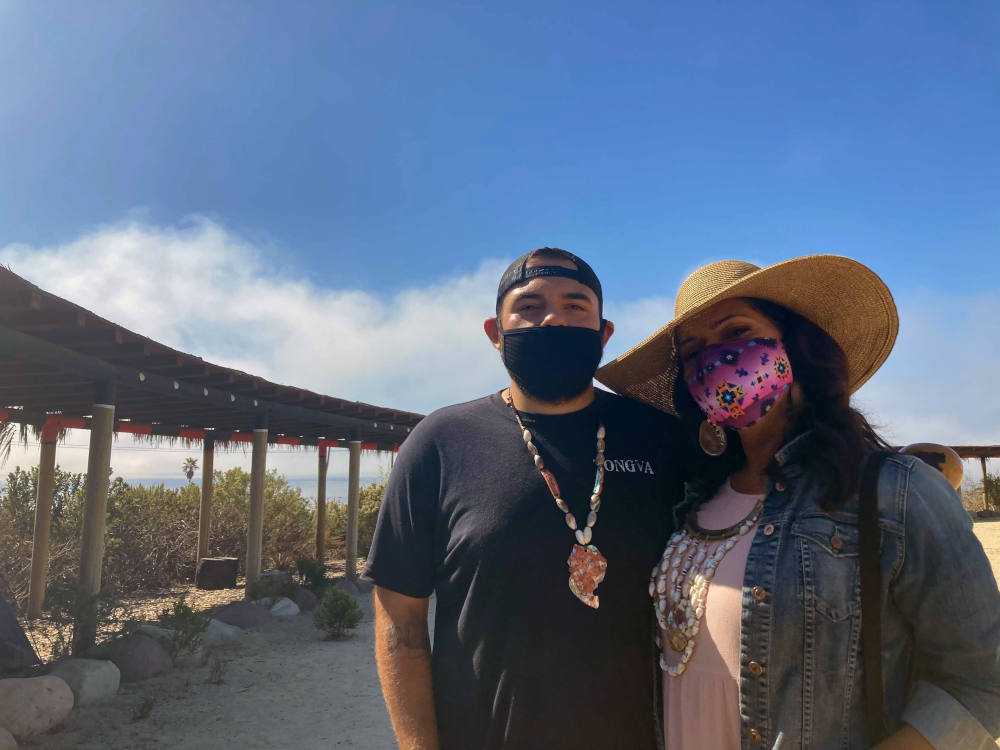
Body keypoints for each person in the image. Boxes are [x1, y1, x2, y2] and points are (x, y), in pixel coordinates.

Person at [597, 255, 1000, 749]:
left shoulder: (894, 492)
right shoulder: (688, 501)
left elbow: (982, 682)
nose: (714, 359)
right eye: (693, 350)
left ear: (797, 347)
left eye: (735, 332)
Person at [363, 248, 687, 750]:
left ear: (603, 334)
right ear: (496, 333)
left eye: (576, 306)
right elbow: (400, 620)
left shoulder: (661, 439)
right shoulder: (441, 441)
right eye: (529, 306)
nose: (553, 319)